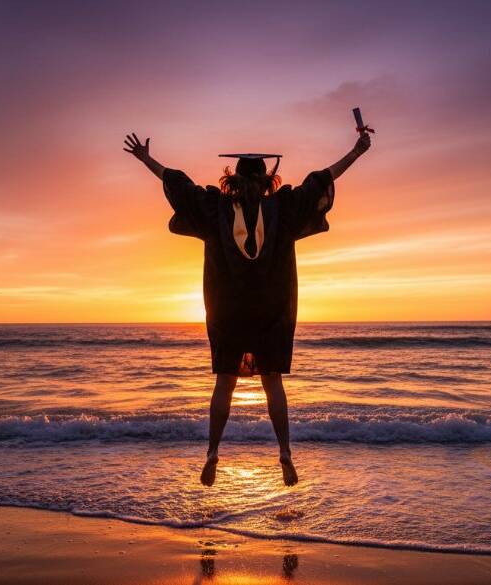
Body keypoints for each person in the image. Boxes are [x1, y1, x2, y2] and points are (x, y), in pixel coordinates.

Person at [124, 126, 371, 486]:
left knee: (225, 382)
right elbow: (321, 180)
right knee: (273, 383)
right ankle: (285, 451)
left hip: (228, 311)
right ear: (268, 181)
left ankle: (212, 452)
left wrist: (147, 159)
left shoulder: (215, 209)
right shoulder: (284, 208)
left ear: (233, 179)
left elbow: (180, 185)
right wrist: (357, 151)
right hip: (272, 311)